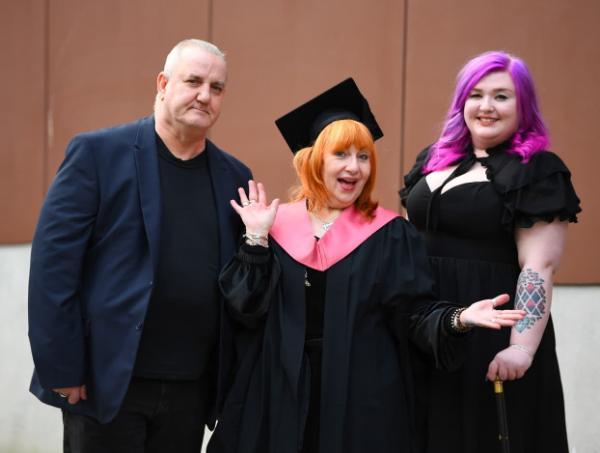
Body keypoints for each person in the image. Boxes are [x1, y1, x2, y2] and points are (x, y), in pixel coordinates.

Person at [207, 78, 525, 453]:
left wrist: (458, 318)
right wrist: (256, 241)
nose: (354, 167)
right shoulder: (274, 227)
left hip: (361, 402)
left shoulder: (390, 235)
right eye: (341, 154)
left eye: (363, 156)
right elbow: (244, 311)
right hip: (278, 394)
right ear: (313, 160)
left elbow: (414, 315)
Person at [28, 38, 252, 452]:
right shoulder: (97, 155)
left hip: (191, 388)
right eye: (193, 82)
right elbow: (52, 270)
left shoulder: (234, 177)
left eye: (216, 88)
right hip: (106, 381)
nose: (205, 95)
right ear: (163, 83)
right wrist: (61, 366)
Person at [400, 51, 581, 453]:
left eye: (501, 96)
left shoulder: (537, 170)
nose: (486, 106)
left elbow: (539, 266)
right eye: (476, 94)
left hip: (491, 335)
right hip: (427, 327)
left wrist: (521, 347)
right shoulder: (434, 160)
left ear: (524, 104)